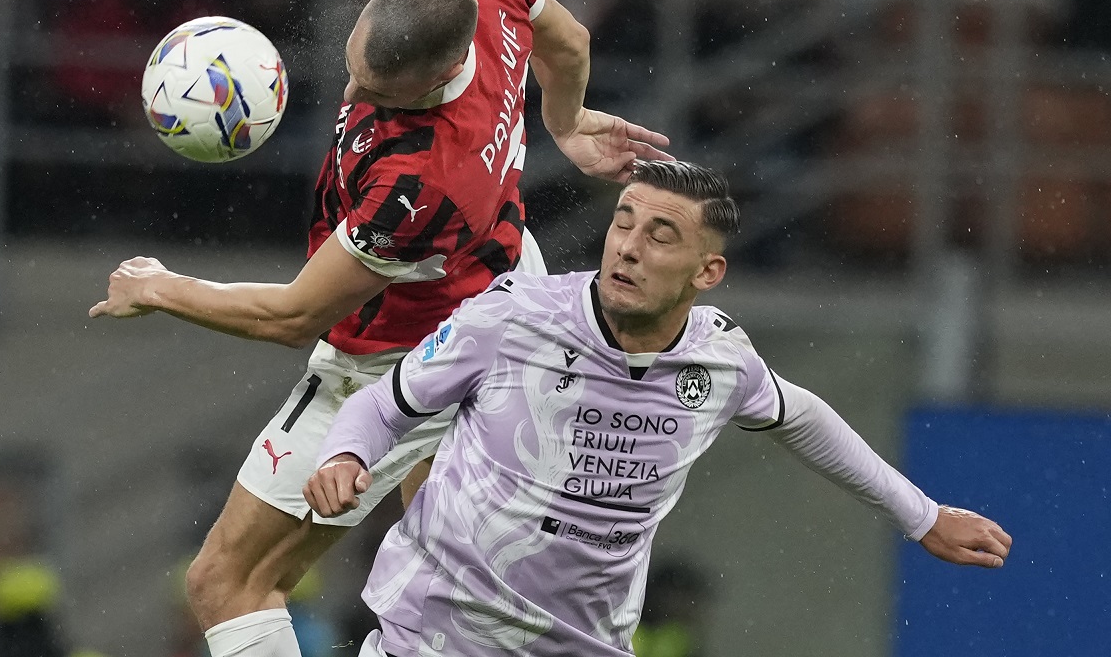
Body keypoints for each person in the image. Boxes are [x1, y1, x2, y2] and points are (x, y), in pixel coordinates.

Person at [88, 0, 672, 657]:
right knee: (446, 597)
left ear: (450, 70)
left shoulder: (423, 182)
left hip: (410, 357)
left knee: (226, 582)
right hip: (506, 293)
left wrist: (161, 288)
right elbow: (569, 38)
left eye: (383, 95)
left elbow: (295, 316)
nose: (358, 93)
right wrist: (565, 121)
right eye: (358, 69)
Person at [305, 159, 1013, 657]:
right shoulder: (513, 318)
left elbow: (802, 416)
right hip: (434, 639)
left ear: (709, 272)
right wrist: (346, 454)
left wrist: (921, 516)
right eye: (624, 224)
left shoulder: (719, 360)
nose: (630, 248)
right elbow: (384, 405)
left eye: (661, 235)